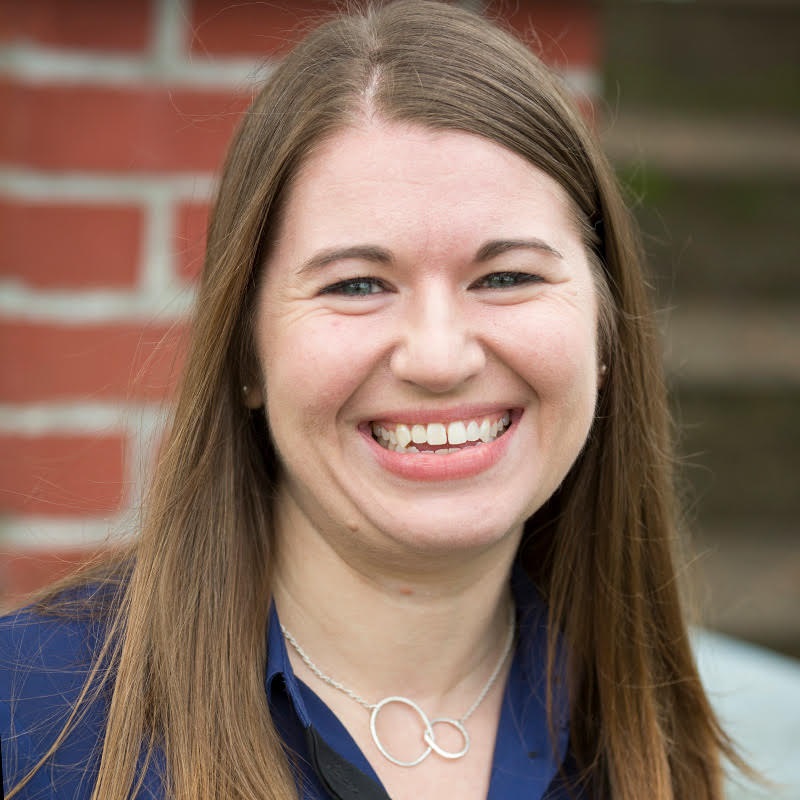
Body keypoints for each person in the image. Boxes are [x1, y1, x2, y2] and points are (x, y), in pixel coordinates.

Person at [0, 2, 742, 798]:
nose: (438, 356)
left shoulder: (641, 739)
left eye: (507, 277)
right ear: (246, 353)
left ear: (604, 332)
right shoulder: (32, 716)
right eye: (356, 284)